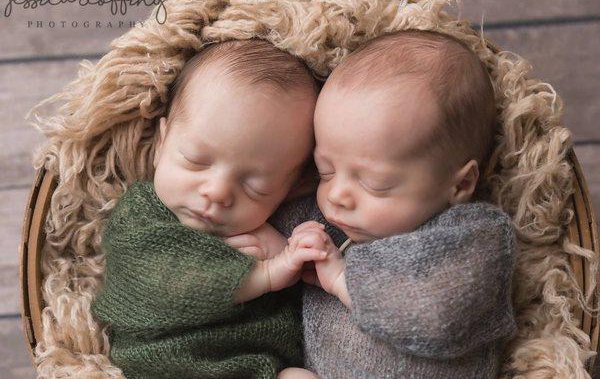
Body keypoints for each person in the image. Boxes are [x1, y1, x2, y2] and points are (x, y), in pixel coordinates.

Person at [269, 29, 518, 378]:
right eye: (326, 170)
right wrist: (275, 251)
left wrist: (343, 279)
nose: (338, 194)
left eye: (374, 183)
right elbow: (268, 226)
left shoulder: (477, 236)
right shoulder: (325, 220)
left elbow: (438, 314)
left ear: (460, 184)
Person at [90, 39, 325, 379]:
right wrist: (267, 274)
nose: (217, 192)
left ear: (289, 188)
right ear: (161, 143)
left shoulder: (270, 229)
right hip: (168, 363)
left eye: (255, 186)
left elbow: (301, 312)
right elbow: (160, 283)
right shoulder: (140, 214)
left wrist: (293, 253)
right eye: (196, 161)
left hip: (257, 364)